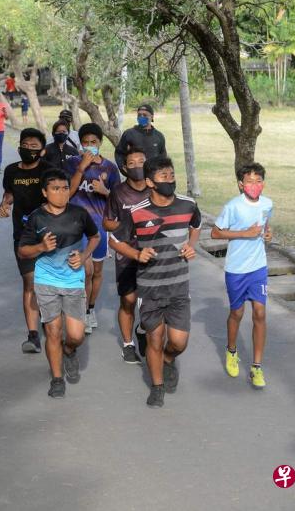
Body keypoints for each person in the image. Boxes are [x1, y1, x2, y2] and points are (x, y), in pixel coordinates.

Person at [111, 158, 201, 408]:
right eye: (163, 176)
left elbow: (196, 227)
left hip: (179, 287)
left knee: (178, 342)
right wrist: (137, 254)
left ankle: (168, 360)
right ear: (150, 181)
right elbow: (115, 241)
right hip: (150, 288)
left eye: (172, 175)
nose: (170, 180)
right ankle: (157, 386)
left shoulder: (188, 205)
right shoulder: (137, 211)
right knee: (154, 339)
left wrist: (191, 247)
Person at [18, 169, 101, 398]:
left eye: (65, 188)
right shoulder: (37, 217)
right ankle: (56, 379)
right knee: (53, 331)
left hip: (73, 280)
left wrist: (84, 257)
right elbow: (23, 251)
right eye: (55, 189)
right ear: (45, 192)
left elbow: (95, 237)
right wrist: (41, 248)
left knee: (76, 335)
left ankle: (69, 350)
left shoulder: (79, 213)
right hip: (46, 281)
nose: (62, 193)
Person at [211, 163, 273, 389]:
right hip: (236, 269)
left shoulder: (268, 204)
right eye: (249, 181)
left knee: (260, 312)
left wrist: (267, 234)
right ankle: (231, 351)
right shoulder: (233, 206)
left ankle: (257, 366)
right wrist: (244, 233)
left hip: (258, 267)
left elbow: (266, 227)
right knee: (237, 312)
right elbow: (215, 232)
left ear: (263, 183)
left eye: (258, 181)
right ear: (240, 184)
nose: (254, 185)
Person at [0, 128, 52, 353]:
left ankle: (52, 325)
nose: (28, 149)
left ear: (42, 150)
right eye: (25, 145)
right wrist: (5, 203)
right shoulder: (11, 170)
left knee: (48, 283)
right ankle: (33, 336)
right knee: (30, 282)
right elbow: (9, 193)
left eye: (34, 146)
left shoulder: (48, 170)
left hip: (49, 234)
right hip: (23, 235)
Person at [65, 123, 120, 334]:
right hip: (78, 227)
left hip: (100, 227)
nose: (89, 146)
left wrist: (105, 191)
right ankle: (80, 312)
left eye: (93, 142)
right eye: (86, 142)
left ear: (100, 143)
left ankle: (89, 310)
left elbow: (118, 199)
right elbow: (67, 194)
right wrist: (81, 168)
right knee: (85, 271)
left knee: (97, 272)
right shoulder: (73, 164)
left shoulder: (110, 168)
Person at [104, 148, 150, 364]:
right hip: (126, 253)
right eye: (132, 163)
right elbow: (107, 222)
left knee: (151, 303)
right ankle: (128, 344)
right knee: (129, 301)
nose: (138, 165)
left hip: (152, 253)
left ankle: (142, 329)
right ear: (124, 168)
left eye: (142, 161)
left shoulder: (156, 188)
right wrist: (126, 225)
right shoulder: (118, 192)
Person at [115, 104, 167, 173]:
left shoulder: (159, 136)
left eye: (145, 115)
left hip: (152, 177)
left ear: (152, 117)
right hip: (134, 176)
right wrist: (123, 169)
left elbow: (163, 158)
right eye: (139, 115)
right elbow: (119, 153)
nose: (141, 117)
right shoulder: (129, 134)